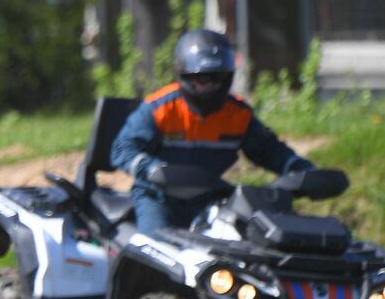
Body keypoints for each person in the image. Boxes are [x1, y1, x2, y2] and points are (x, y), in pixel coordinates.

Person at [110, 28, 315, 234]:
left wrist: (302, 171)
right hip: (158, 198)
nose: (210, 86)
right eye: (202, 79)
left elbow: (270, 151)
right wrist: (153, 169)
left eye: (217, 78)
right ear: (184, 76)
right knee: (155, 249)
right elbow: (122, 149)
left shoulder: (238, 114)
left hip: (210, 199)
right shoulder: (159, 108)